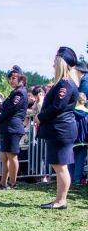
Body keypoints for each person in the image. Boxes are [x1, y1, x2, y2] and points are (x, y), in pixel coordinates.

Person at [36, 47, 80, 209]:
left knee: (61, 166)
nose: (53, 66)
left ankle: (61, 201)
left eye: (55, 62)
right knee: (59, 165)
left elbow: (58, 106)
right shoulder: (64, 83)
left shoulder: (65, 84)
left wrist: (40, 116)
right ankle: (59, 199)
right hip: (60, 129)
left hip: (61, 129)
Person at [0, 65, 28, 190]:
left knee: (12, 155)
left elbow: (10, 109)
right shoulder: (14, 92)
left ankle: (12, 182)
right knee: (4, 156)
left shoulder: (20, 92)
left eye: (14, 78)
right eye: (10, 78)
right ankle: (3, 182)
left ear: (21, 79)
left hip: (13, 127)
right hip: (7, 126)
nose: (11, 80)